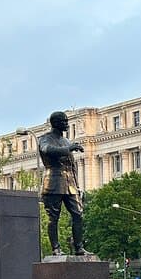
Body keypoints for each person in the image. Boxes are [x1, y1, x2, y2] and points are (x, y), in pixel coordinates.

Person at [38, 110, 89, 256]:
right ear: (56, 123)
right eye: (64, 121)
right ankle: (56, 248)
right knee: (53, 217)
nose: (66, 124)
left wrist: (78, 186)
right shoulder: (45, 139)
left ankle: (79, 247)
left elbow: (72, 166)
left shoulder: (66, 141)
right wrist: (68, 149)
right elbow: (47, 150)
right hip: (53, 181)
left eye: (67, 121)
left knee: (78, 214)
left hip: (70, 183)